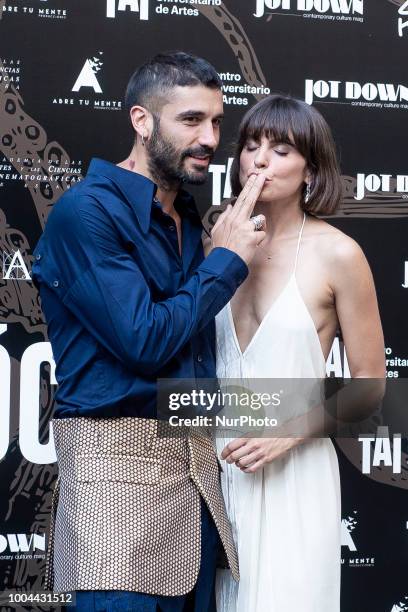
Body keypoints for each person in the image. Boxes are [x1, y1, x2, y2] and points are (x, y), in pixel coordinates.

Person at [31, 52, 269, 612]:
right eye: (191, 120)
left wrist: (305, 421)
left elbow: (199, 373)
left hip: (201, 499)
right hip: (115, 502)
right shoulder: (87, 214)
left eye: (216, 122)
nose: (211, 137)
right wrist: (227, 261)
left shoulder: (191, 224)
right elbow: (143, 341)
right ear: (142, 121)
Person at [213, 95, 386, 612]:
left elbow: (371, 386)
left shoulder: (337, 253)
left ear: (311, 168)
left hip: (295, 472)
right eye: (250, 145)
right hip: (217, 475)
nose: (259, 160)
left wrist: (285, 432)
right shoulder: (212, 242)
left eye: (281, 148)